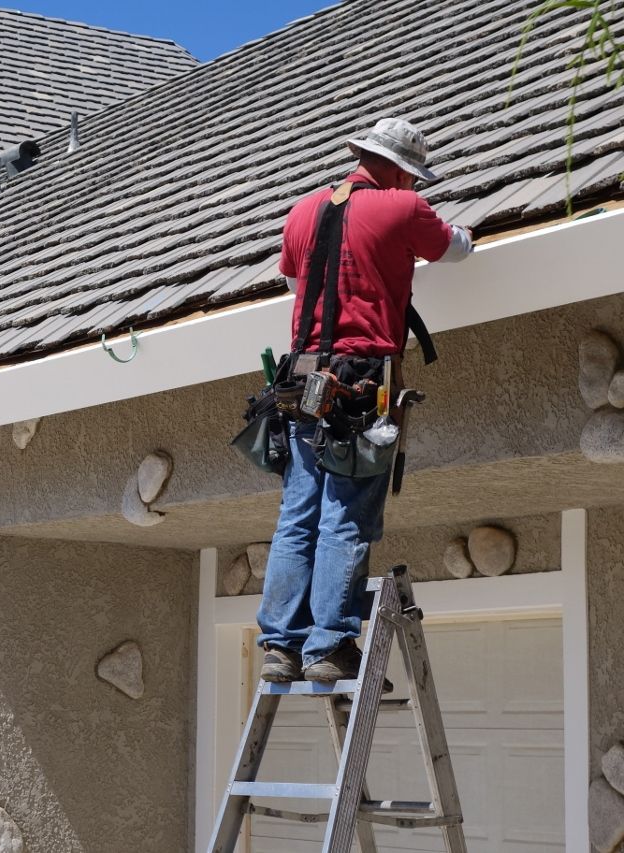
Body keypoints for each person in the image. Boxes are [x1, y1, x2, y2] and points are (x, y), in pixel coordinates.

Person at [257, 118, 474, 683]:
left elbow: (293, 283)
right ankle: (330, 646)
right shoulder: (404, 208)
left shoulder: (304, 210)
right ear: (402, 170)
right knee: (346, 517)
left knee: (297, 516)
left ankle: (281, 645)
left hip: (301, 377)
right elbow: (456, 247)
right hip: (361, 383)